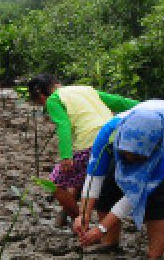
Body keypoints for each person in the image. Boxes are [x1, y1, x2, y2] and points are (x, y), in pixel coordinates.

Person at [74, 101, 164, 260]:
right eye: (126, 155)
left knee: (160, 194)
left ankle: (154, 258)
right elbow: (94, 175)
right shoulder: (109, 133)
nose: (131, 162)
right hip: (144, 125)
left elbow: (136, 194)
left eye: (138, 159)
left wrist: (101, 228)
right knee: (109, 183)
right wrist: (83, 214)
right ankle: (109, 244)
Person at [26, 74, 139, 223]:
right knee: (84, 178)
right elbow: (120, 102)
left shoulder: (53, 100)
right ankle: (71, 215)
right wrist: (150, 106)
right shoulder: (86, 90)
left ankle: (79, 222)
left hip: (92, 143)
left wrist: (66, 156)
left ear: (40, 93)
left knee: (56, 182)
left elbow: (63, 125)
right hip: (117, 139)